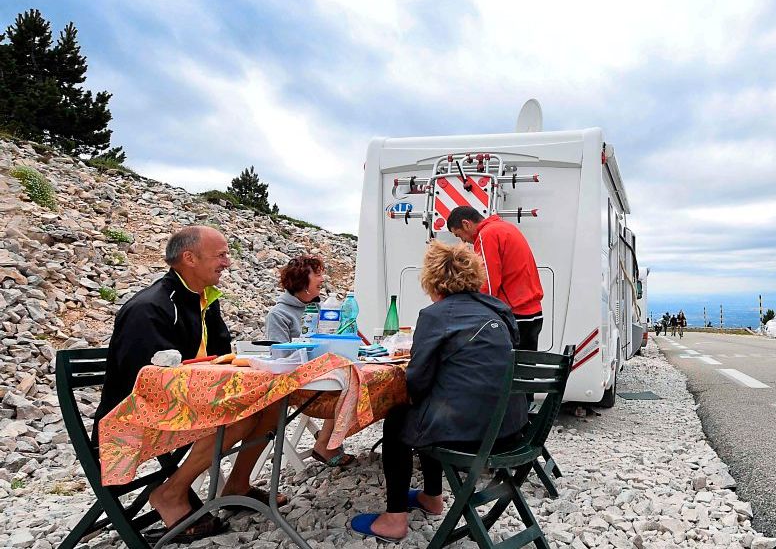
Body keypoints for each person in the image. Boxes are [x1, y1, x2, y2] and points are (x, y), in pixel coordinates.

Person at [95, 226, 286, 542]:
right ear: (189, 258)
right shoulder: (149, 308)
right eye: (221, 255)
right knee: (239, 413)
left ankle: (238, 484)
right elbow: (145, 383)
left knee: (272, 399)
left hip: (183, 403)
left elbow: (220, 357)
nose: (227, 262)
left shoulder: (203, 300)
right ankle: (171, 493)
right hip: (133, 416)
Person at [350, 241, 529, 542]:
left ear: (433, 280)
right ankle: (432, 497)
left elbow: (417, 382)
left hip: (476, 436)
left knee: (399, 419)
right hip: (513, 430)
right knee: (430, 411)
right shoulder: (499, 311)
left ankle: (395, 519)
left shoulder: (436, 315)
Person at [264, 255, 355, 467]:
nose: (322, 279)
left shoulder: (324, 309)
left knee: (355, 384)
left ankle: (326, 442)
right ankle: (325, 444)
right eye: (317, 274)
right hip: (295, 384)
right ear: (302, 280)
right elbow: (280, 357)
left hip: (323, 376)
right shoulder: (279, 314)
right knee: (349, 388)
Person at [447, 206, 544, 352]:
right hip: (533, 313)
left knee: (502, 368)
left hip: (515, 315)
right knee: (524, 369)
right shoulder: (506, 227)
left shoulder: (486, 235)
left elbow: (488, 284)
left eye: (459, 235)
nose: (464, 241)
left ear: (466, 224)